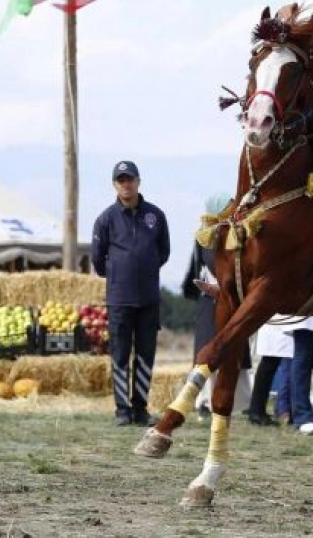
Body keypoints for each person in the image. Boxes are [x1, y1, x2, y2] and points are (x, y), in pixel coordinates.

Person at [92, 160, 170, 426]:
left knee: (146, 355)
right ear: (115, 184)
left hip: (148, 299)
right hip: (119, 300)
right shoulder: (105, 219)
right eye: (121, 180)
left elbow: (164, 252)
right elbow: (97, 259)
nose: (126, 184)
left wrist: (145, 269)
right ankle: (122, 410)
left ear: (138, 181)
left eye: (130, 179)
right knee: (120, 355)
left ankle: (140, 409)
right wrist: (118, 274)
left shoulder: (156, 216)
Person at [181, 193, 252, 420]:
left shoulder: (233, 232)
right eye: (229, 206)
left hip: (230, 301)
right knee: (210, 353)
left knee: (232, 352)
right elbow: (211, 265)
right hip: (212, 301)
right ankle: (204, 402)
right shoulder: (208, 236)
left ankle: (234, 402)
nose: (233, 209)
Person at [246, 314, 293, 426]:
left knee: (271, 363)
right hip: (277, 321)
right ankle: (256, 411)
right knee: (269, 363)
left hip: (280, 321)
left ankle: (258, 410)